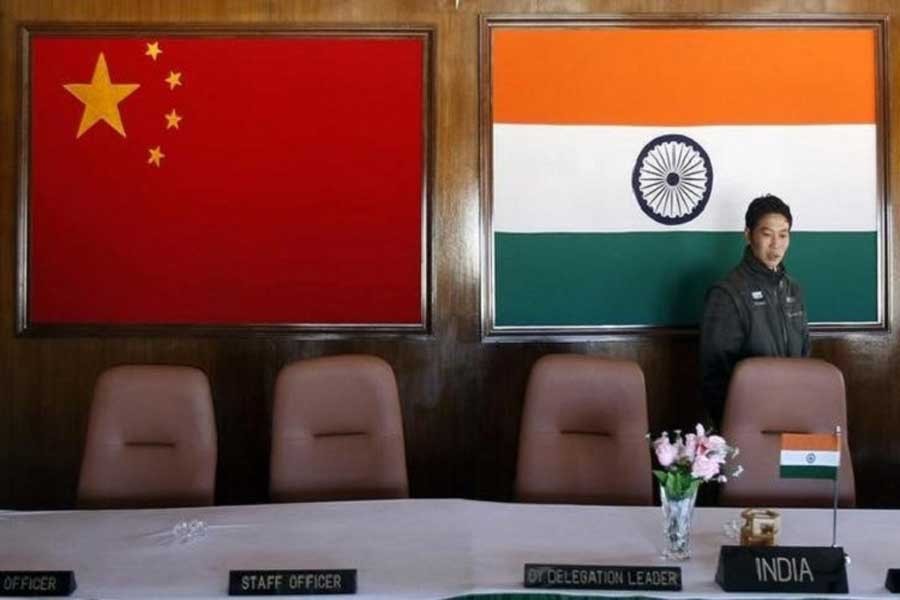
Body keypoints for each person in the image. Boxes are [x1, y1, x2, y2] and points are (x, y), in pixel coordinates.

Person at [700, 194, 810, 425]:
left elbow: (804, 357)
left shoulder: (793, 289)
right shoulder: (727, 292)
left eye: (783, 235)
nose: (776, 244)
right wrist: (734, 427)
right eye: (767, 234)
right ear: (748, 235)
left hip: (793, 414)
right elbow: (714, 376)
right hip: (748, 421)